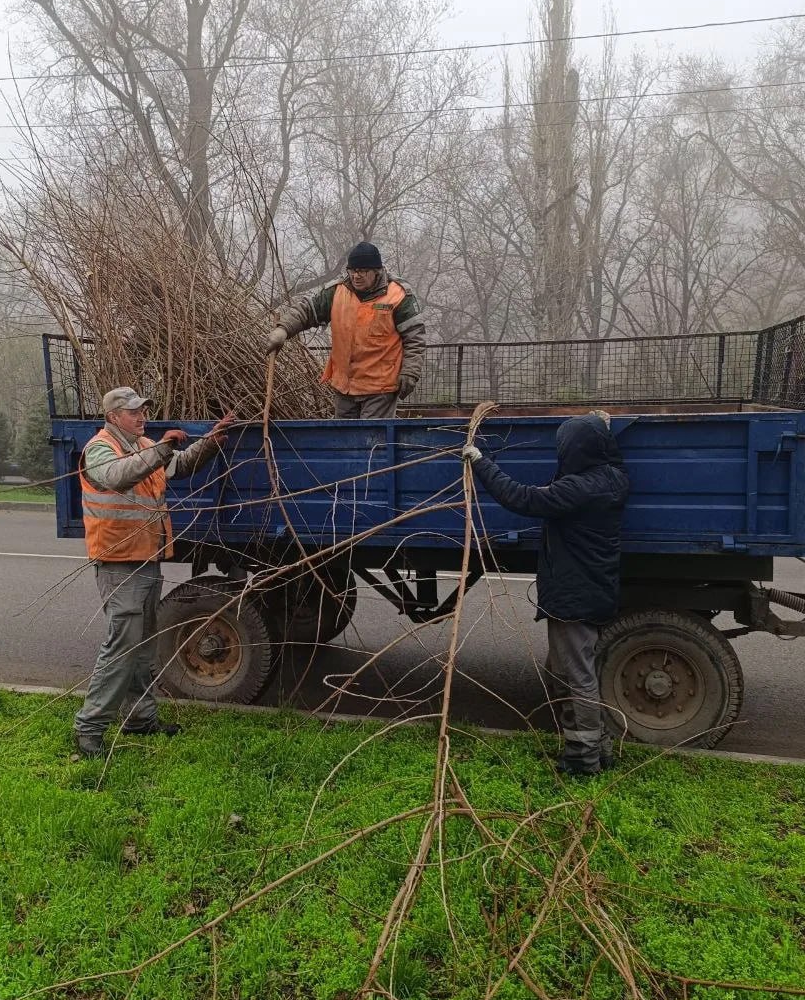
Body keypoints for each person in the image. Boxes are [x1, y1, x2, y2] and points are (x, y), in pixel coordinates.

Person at [462, 412, 629, 776]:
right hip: (589, 590)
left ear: (578, 451)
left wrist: (481, 462)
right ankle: (593, 747)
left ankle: (583, 758)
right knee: (567, 671)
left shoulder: (580, 489)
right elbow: (595, 461)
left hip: (574, 597)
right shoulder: (611, 477)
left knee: (576, 675)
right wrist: (599, 425)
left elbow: (523, 499)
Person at [74, 387, 234, 759]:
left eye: (143, 409)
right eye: (133, 412)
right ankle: (89, 728)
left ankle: (140, 718)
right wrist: (160, 448)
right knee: (121, 647)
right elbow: (117, 477)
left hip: (147, 558)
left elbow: (179, 465)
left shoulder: (141, 444)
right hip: (120, 564)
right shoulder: (100, 449)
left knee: (144, 646)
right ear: (114, 416)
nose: (141, 415)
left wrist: (210, 441)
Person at [265, 241, 425, 419]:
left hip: (380, 388)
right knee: (345, 441)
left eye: (363, 271)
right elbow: (307, 311)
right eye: (352, 270)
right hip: (344, 387)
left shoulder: (398, 296)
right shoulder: (337, 292)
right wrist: (283, 330)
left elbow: (414, 338)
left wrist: (410, 371)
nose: (356, 276)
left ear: (377, 271)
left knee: (371, 441)